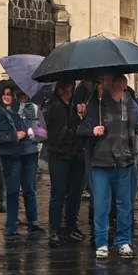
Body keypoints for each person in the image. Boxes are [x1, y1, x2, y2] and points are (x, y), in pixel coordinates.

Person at [79, 74, 138, 259]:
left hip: (125, 162)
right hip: (100, 162)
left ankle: (123, 241)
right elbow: (81, 129)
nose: (120, 83)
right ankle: (101, 242)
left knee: (125, 204)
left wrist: (135, 147)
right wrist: (92, 130)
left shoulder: (130, 104)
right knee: (101, 204)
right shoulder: (97, 104)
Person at [0, 81, 44, 239]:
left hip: (29, 152)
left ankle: (33, 223)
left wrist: (31, 132)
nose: (7, 97)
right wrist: (13, 136)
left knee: (30, 190)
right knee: (12, 191)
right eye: (4, 94)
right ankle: (10, 226)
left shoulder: (23, 108)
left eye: (9, 94)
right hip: (10, 155)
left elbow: (37, 126)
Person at [43, 80, 86, 244]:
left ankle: (71, 226)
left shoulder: (77, 103)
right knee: (58, 194)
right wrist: (77, 122)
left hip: (76, 154)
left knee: (75, 194)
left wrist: (82, 117)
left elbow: (80, 129)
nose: (68, 88)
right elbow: (58, 133)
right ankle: (54, 230)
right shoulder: (52, 107)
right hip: (59, 154)